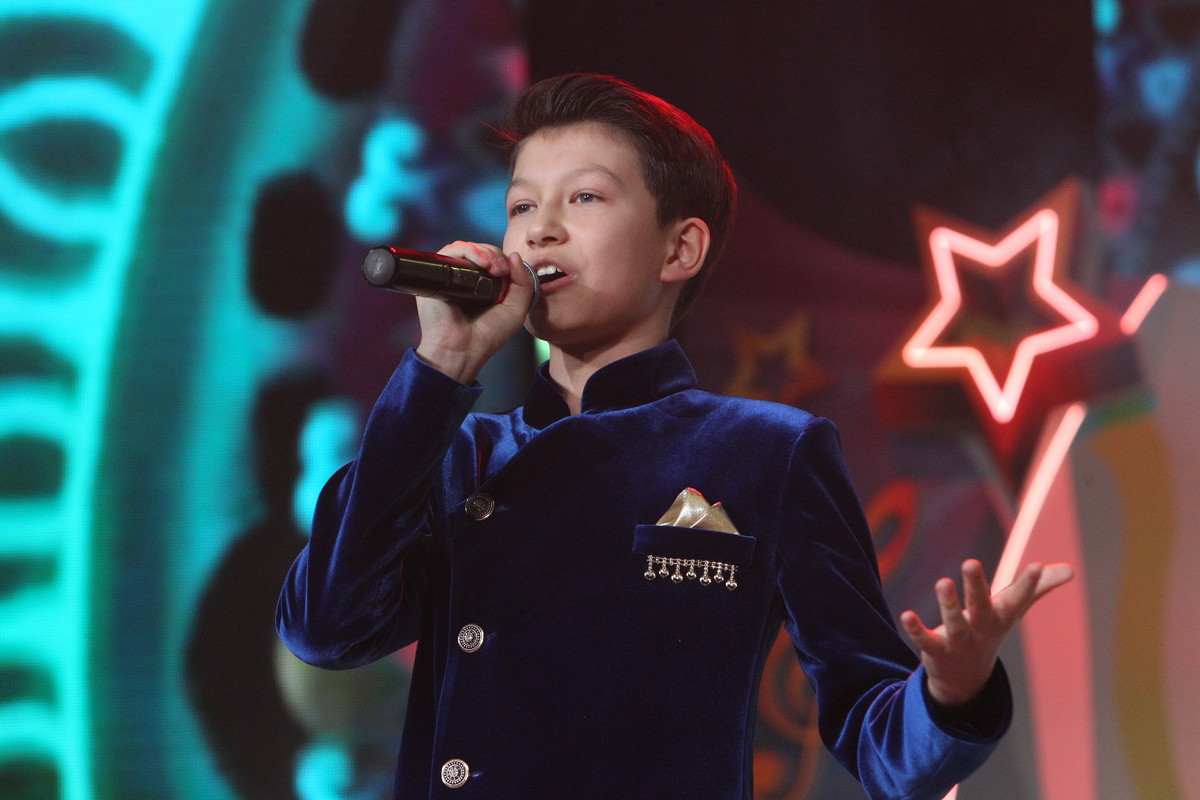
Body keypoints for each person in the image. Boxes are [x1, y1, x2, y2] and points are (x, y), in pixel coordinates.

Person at [276, 73, 1073, 800]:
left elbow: (880, 741)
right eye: (520, 207)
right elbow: (326, 627)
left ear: (680, 248)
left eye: (584, 198)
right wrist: (439, 368)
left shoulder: (767, 452)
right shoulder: (458, 455)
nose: (539, 231)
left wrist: (951, 693)